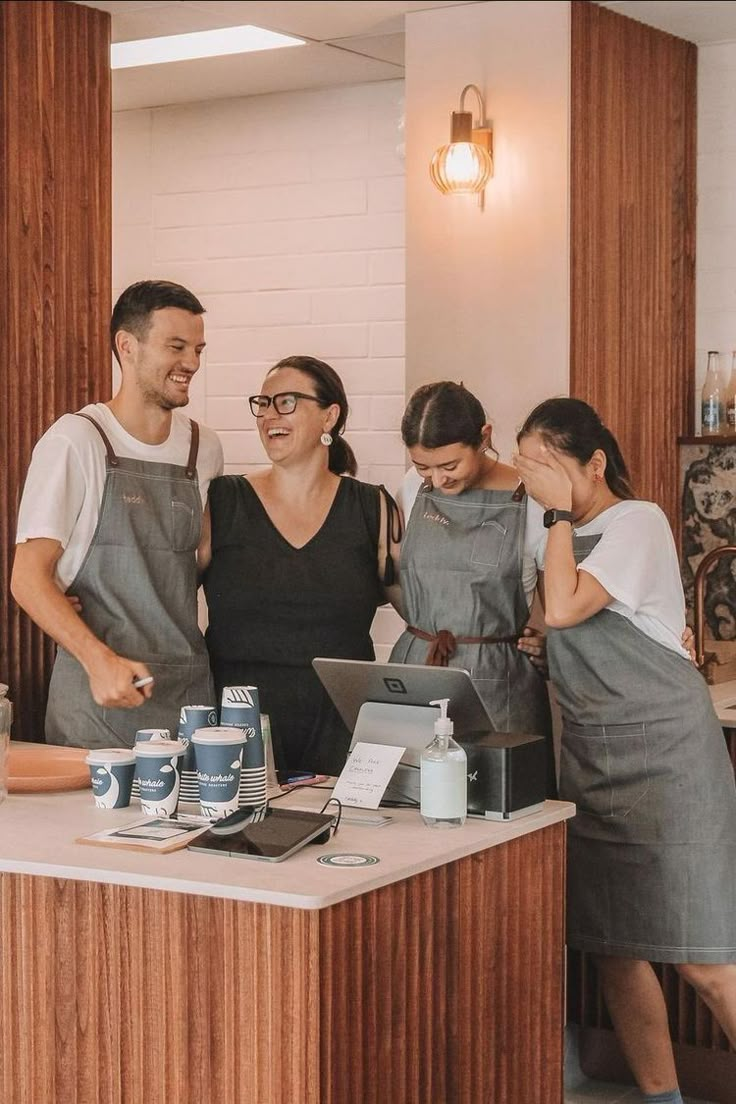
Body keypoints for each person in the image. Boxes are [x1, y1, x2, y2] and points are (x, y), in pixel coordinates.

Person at [514, 397, 736, 1104]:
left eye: (548, 466)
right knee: (615, 950)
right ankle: (662, 1100)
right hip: (592, 758)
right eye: (528, 467)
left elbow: (569, 606)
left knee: (707, 962)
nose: (537, 481)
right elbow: (552, 626)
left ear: (595, 463)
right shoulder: (550, 533)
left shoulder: (638, 521)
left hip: (668, 760)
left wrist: (550, 517)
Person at [11, 280, 224, 747]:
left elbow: (195, 562)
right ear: (127, 347)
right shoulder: (77, 440)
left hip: (187, 693)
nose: (192, 363)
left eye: (197, 348)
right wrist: (97, 659)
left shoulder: (203, 448)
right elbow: (27, 578)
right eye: (176, 346)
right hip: (96, 697)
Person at [200, 355, 401, 777]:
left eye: (287, 402)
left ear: (330, 416)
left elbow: (421, 611)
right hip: (237, 726)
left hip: (341, 725)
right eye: (264, 403)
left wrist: (509, 632)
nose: (270, 414)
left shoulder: (373, 508)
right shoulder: (222, 500)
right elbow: (165, 588)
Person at [389, 381, 556, 794]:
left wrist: (549, 643)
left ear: (484, 437)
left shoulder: (533, 499)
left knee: (506, 806)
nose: (437, 479)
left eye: (449, 465)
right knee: (412, 806)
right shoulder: (412, 488)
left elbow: (554, 604)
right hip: (421, 669)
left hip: (500, 680)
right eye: (423, 466)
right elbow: (399, 578)